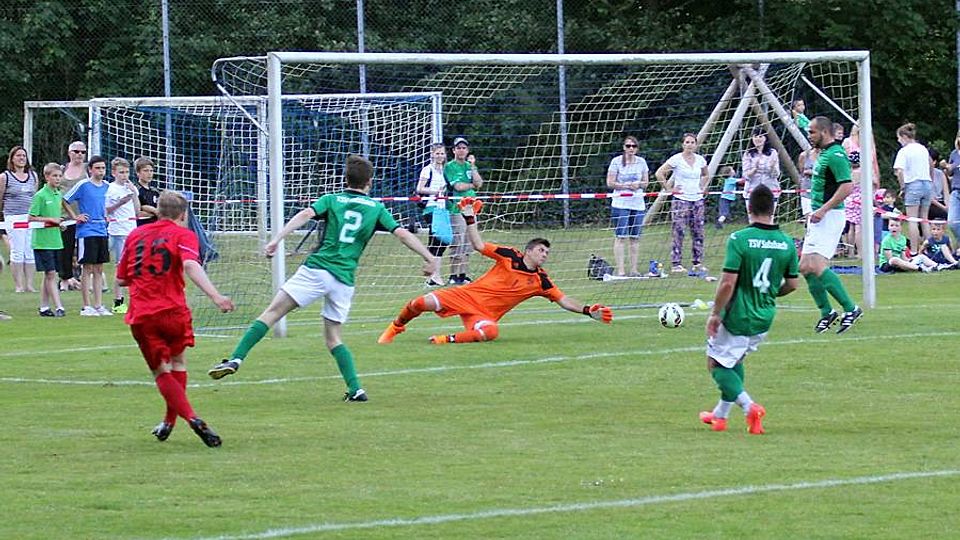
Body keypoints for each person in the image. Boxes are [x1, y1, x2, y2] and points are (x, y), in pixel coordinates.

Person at [207, 155, 438, 402]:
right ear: (369, 182)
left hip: (317, 269)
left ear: (345, 179)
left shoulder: (331, 199)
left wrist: (277, 239)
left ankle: (236, 358)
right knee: (333, 338)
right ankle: (356, 389)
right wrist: (429, 257)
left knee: (272, 313)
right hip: (344, 279)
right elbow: (402, 234)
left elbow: (305, 215)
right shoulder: (377, 208)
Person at [377, 197, 613, 345]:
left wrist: (587, 310)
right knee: (419, 303)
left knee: (490, 332)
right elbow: (478, 246)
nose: (544, 255)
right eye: (541, 250)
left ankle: (445, 339)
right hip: (465, 295)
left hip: (484, 314)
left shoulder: (541, 281)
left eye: (547, 253)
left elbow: (564, 300)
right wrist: (470, 219)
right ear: (528, 251)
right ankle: (396, 327)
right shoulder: (509, 255)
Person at [116, 190, 235, 446]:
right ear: (183, 215)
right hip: (174, 312)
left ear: (158, 211)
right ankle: (170, 422)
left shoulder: (135, 235)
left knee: (161, 370)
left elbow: (121, 278)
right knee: (178, 363)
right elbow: (191, 265)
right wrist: (216, 296)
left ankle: (190, 418)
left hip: (143, 314)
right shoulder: (184, 235)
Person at [698, 184, 799, 434]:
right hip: (764, 316)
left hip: (738, 314)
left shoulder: (740, 239)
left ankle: (749, 407)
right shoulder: (787, 243)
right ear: (773, 209)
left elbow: (727, 283)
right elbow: (792, 284)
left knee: (716, 364)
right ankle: (720, 416)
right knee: (735, 360)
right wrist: (768, 293)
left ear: (749, 208)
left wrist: (716, 314)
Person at [800, 116, 862, 334]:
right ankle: (827, 312)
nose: (809, 136)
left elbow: (847, 186)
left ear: (824, 132)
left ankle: (851, 308)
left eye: (812, 132)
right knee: (805, 267)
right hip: (819, 216)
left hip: (830, 216)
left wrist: (823, 210)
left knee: (817, 266)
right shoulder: (824, 153)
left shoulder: (835, 154)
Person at [29, 163, 79, 317]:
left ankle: (44, 307)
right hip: (43, 242)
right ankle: (59, 306)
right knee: (51, 274)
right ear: (47, 177)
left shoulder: (58, 194)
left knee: (50, 274)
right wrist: (51, 219)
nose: (58, 179)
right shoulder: (40, 195)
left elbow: (58, 216)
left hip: (56, 240)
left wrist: (60, 224)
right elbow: (31, 217)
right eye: (54, 176)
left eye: (59, 176)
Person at [655, 132, 709, 273]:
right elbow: (659, 173)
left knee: (698, 232)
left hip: (697, 200)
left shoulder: (700, 160)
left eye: (692, 142)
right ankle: (676, 263)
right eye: (687, 142)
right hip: (681, 200)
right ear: (683, 144)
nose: (690, 145)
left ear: (696, 145)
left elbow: (706, 174)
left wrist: (702, 187)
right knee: (678, 231)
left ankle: (697, 262)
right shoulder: (676, 159)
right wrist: (669, 189)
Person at [64, 155, 111, 316]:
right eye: (97, 168)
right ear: (90, 169)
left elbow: (109, 205)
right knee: (87, 267)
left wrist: (107, 214)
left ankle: (98, 304)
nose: (100, 171)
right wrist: (75, 216)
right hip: (87, 231)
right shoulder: (83, 185)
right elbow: (65, 200)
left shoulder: (107, 186)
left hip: (102, 230)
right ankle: (86, 306)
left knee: (99, 268)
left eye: (103, 168)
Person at [606, 136, 649, 275]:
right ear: (624, 147)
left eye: (634, 146)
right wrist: (626, 186)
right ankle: (621, 271)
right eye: (628, 146)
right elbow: (610, 182)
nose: (631, 148)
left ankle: (634, 270)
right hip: (620, 203)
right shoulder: (616, 161)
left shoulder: (641, 162)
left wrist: (638, 185)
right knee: (620, 236)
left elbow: (646, 183)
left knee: (635, 237)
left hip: (637, 204)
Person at [443, 136, 484, 284]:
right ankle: (453, 275)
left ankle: (463, 274)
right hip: (457, 208)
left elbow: (479, 183)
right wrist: (472, 185)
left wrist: (473, 166)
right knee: (458, 242)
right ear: (454, 150)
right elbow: (458, 186)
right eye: (458, 148)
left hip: (471, 207)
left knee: (469, 242)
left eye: (464, 148)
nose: (461, 150)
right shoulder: (450, 166)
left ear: (467, 150)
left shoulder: (469, 166)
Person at [0, 146, 39, 293]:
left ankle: (29, 285)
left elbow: (35, 197)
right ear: (12, 159)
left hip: (30, 217)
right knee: (17, 250)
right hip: (13, 217)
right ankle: (19, 285)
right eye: (18, 155)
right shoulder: (5, 177)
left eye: (23, 155)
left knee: (29, 250)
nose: (21, 158)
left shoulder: (33, 176)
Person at [105, 157, 141, 313]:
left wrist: (133, 194)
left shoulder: (130, 188)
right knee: (120, 266)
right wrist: (121, 202)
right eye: (121, 172)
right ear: (114, 173)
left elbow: (137, 210)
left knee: (132, 266)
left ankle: (133, 299)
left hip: (131, 229)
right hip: (117, 230)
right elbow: (107, 210)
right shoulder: (110, 189)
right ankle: (118, 301)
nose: (124, 175)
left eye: (126, 172)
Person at [841, 124, 881, 259]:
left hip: (849, 198)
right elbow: (873, 181)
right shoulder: (864, 171)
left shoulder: (849, 173)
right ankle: (861, 252)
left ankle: (851, 252)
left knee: (851, 226)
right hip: (860, 199)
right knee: (859, 226)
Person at [893, 123, 932, 253]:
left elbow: (899, 171)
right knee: (924, 219)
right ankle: (930, 249)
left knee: (912, 220)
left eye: (899, 138)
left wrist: (903, 187)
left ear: (904, 136)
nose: (898, 141)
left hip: (913, 184)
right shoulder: (923, 149)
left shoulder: (904, 151)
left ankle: (914, 251)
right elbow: (931, 165)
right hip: (927, 183)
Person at [416, 143, 449, 287]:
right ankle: (433, 276)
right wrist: (435, 192)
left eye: (442, 153)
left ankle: (434, 275)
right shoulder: (427, 170)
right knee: (436, 239)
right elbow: (420, 188)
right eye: (437, 153)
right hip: (430, 207)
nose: (440, 156)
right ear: (432, 154)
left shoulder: (445, 170)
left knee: (442, 241)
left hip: (442, 208)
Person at [59, 141, 87, 291]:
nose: (79, 155)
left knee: (84, 250)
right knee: (65, 250)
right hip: (65, 217)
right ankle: (65, 279)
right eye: (76, 151)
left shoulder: (88, 170)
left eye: (83, 152)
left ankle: (84, 280)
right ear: (69, 153)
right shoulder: (62, 169)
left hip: (84, 217)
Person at [741, 126, 780, 209]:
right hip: (752, 190)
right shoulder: (748, 154)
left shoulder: (772, 153)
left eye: (760, 136)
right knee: (753, 215)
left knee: (769, 215)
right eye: (755, 136)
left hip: (770, 189)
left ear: (765, 138)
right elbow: (746, 175)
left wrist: (772, 167)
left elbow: (776, 175)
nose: (757, 139)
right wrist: (754, 169)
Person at [940, 131, 960, 242]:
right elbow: (950, 174)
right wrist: (946, 167)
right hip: (956, 191)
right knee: (952, 222)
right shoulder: (954, 154)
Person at [134, 157, 161, 227]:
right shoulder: (135, 190)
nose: (149, 173)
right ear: (138, 172)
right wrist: (154, 211)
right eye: (145, 171)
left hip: (155, 227)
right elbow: (137, 213)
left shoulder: (155, 191)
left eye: (151, 171)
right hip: (141, 227)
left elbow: (161, 212)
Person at [796, 144, 820, 218]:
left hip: (822, 192)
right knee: (809, 217)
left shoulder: (827, 156)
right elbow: (802, 172)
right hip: (807, 190)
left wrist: (813, 172)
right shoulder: (804, 155)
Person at [927, 148, 949, 222]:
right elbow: (928, 197)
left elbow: (946, 193)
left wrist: (948, 206)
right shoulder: (922, 175)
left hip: (940, 201)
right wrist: (944, 208)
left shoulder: (940, 174)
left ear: (934, 162)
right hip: (929, 203)